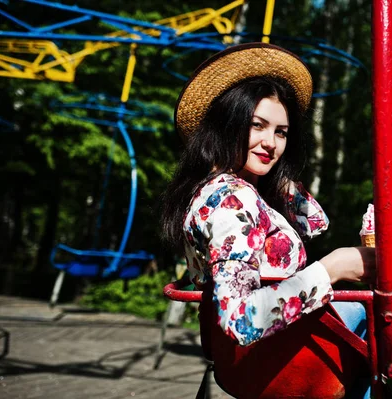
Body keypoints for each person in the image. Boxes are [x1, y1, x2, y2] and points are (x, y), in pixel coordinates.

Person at [160, 43, 374, 397]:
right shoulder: (232, 200)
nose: (270, 143)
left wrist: (273, 180)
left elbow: (314, 222)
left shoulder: (231, 190)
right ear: (228, 123)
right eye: (256, 126)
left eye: (281, 132)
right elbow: (240, 319)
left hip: (257, 360)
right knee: (383, 332)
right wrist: (332, 268)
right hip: (272, 362)